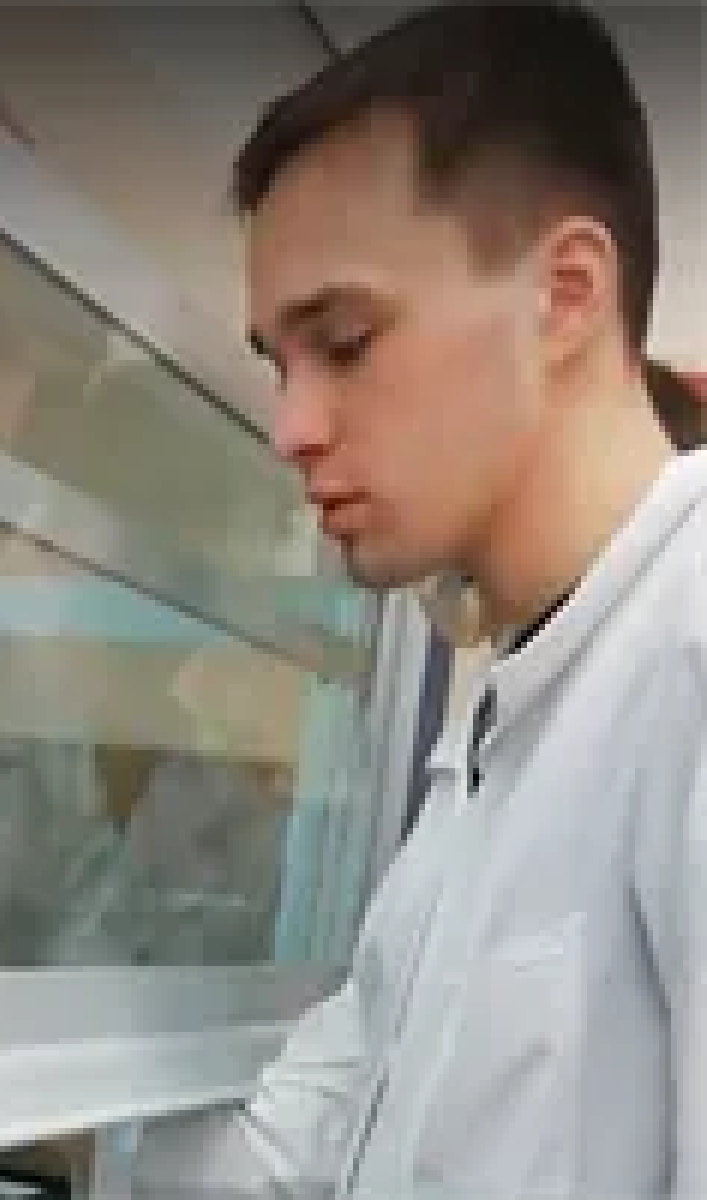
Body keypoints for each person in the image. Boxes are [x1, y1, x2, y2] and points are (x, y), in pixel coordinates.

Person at [132, 4, 704, 1198]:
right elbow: (308, 1138)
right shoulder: (498, 726)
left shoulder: (687, 652)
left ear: (566, 294)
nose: (291, 428)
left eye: (344, 343)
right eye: (278, 365)